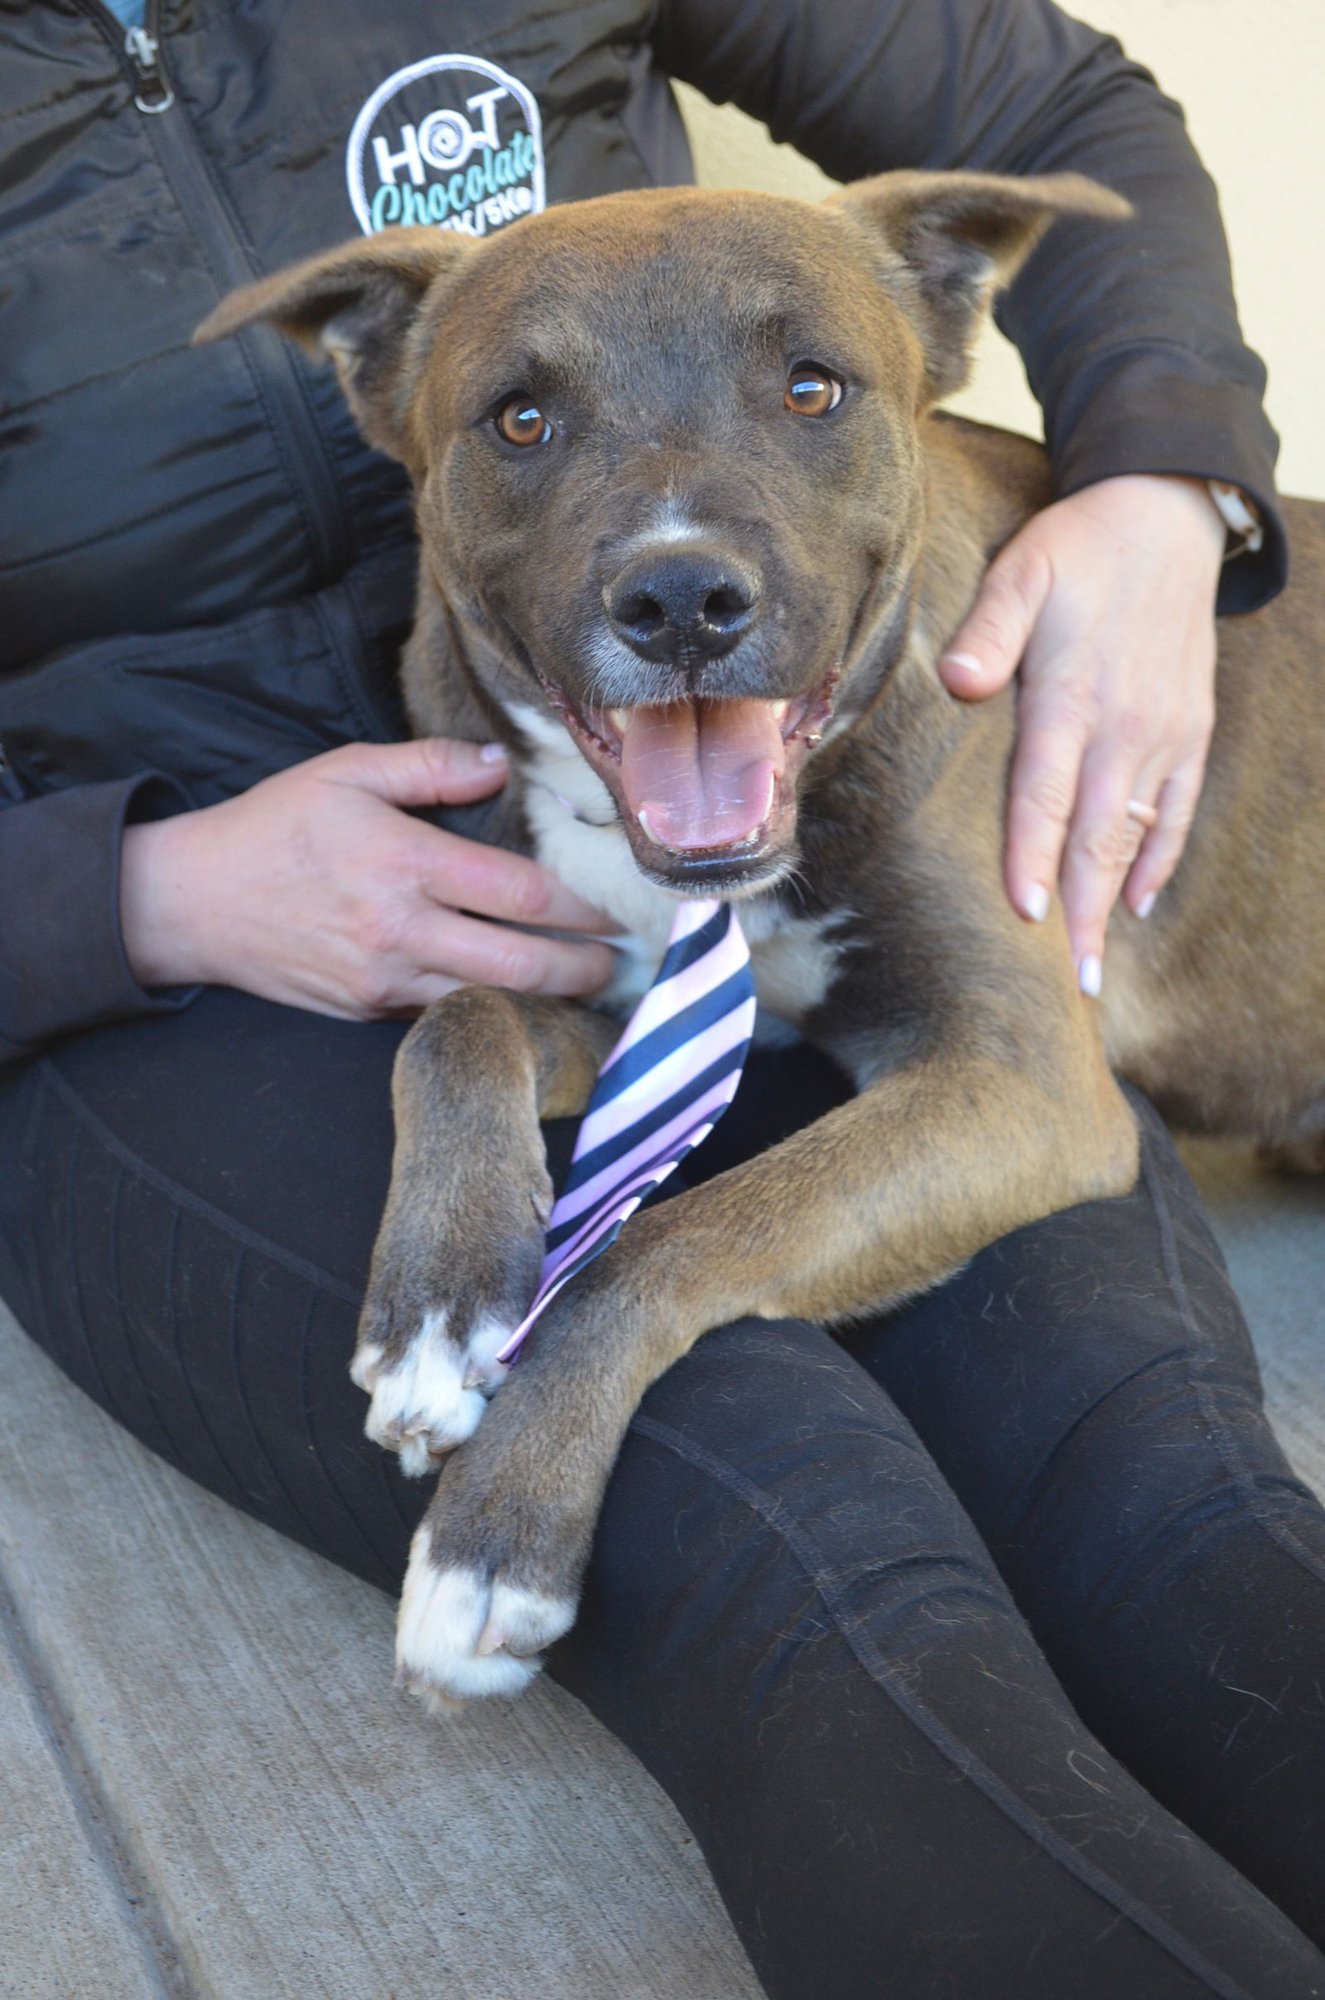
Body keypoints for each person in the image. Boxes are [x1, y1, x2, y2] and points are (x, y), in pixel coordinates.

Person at [1, 3, 1323, 1995]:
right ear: (401, 389)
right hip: (158, 917)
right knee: (778, 1524)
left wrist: (1163, 489)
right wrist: (130, 889)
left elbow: (1054, 108)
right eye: (518, 414)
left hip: (737, 800)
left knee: (1160, 1489)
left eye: (811, 382)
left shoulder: (879, 657)